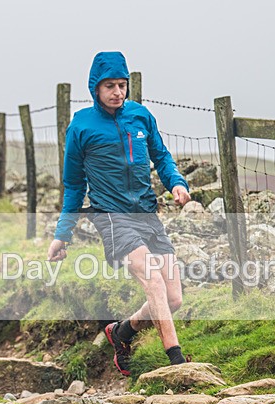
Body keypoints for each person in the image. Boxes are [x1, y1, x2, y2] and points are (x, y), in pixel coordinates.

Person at [47, 51, 191, 377]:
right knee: (152, 280)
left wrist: (176, 184)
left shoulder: (140, 116)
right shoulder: (81, 126)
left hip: (146, 211)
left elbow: (162, 157)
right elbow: (73, 186)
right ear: (95, 88)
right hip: (110, 215)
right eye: (109, 85)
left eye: (122, 85)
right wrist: (62, 235)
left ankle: (123, 331)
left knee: (173, 298)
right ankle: (177, 361)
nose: (117, 92)